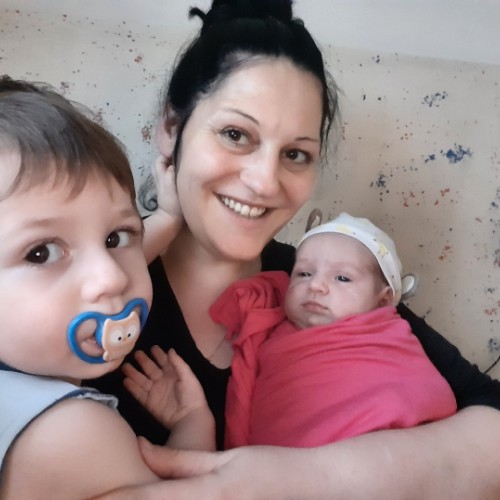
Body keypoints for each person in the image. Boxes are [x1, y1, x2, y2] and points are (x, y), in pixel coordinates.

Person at [90, 0, 500, 498]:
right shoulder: (92, 284)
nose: (266, 182)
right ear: (171, 129)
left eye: (295, 154)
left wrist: (310, 478)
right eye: (236, 134)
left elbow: (490, 414)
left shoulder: (320, 279)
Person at [0, 75, 210, 499]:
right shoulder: (73, 434)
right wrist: (194, 422)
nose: (112, 277)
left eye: (115, 238)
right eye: (41, 253)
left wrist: (168, 220)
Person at [125, 212, 457, 449]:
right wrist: (193, 420)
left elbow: (417, 397)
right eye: (303, 274)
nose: (317, 286)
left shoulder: (386, 339)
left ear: (383, 301)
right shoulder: (269, 327)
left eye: (342, 278)